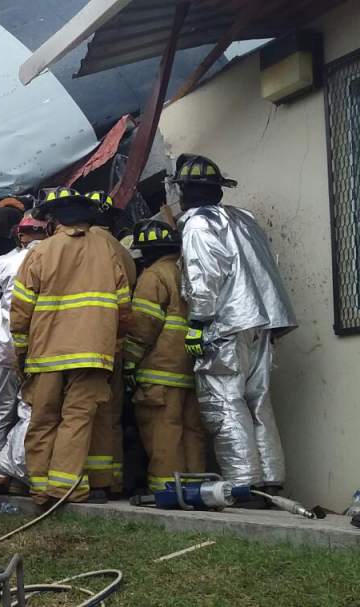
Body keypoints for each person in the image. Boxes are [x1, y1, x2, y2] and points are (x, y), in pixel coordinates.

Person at [175, 154, 296, 493]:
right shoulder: (245, 219)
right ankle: (270, 480)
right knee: (258, 399)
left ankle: (244, 484)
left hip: (226, 325)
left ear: (184, 191)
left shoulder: (198, 224)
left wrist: (197, 324)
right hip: (263, 321)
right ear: (219, 190)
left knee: (224, 402)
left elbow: (204, 278)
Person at [10, 188, 130, 508]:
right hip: (94, 352)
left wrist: (20, 353)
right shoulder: (109, 250)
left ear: (54, 221)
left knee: (44, 418)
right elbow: (123, 306)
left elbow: (20, 309)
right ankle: (67, 488)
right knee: (77, 419)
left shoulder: (41, 252)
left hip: (46, 353)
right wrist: (115, 346)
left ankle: (40, 489)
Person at [123, 220, 206, 492]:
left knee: (163, 433)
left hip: (159, 374)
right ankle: (196, 490)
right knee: (191, 433)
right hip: (190, 372)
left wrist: (128, 364)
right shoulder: (190, 273)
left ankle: (167, 490)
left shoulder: (154, 276)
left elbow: (143, 328)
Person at [0, 212, 48, 485]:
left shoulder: (6, 262)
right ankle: (19, 465)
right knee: (29, 409)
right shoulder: (57, 259)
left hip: (3, 348)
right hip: (38, 348)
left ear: (21, 235)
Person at [86, 191, 138, 500]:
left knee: (87, 414)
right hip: (115, 342)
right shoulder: (122, 251)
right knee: (111, 414)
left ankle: (94, 483)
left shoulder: (87, 244)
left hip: (83, 343)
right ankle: (113, 480)